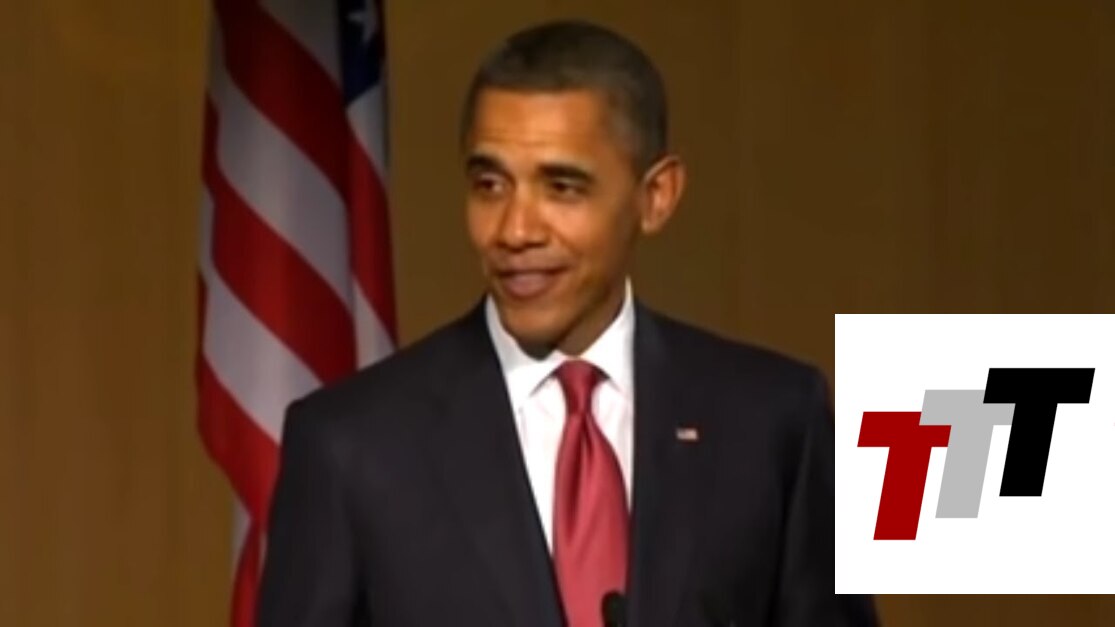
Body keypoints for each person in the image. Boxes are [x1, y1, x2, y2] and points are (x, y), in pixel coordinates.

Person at [258, 19, 877, 627]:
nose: (514, 230)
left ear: (656, 196)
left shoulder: (772, 420)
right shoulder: (350, 446)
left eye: (561, 187)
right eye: (490, 185)